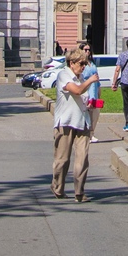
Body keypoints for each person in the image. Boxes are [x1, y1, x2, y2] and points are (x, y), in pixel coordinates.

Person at [51, 47, 98, 202]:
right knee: (63, 159)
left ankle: (79, 192)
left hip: (82, 122)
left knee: (82, 158)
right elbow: (76, 91)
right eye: (81, 63)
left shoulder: (81, 77)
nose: (83, 66)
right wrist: (91, 81)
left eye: (85, 63)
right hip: (65, 122)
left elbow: (81, 97)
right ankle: (58, 187)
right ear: (72, 63)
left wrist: (89, 104)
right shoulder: (64, 75)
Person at [78, 43, 103, 142]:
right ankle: (85, 134)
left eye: (89, 50)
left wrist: (99, 90)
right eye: (85, 50)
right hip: (86, 91)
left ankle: (92, 133)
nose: (87, 51)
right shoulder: (80, 64)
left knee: (95, 114)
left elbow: (97, 76)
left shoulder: (92, 63)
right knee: (86, 114)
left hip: (95, 91)